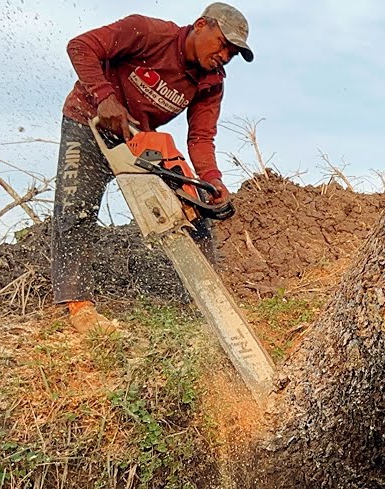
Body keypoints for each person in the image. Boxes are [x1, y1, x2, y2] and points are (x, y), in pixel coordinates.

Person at [52, 3, 253, 331]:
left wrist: (211, 179)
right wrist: (105, 97)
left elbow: (201, 137)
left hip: (136, 138)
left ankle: (205, 304)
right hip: (88, 121)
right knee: (76, 209)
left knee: (192, 208)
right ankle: (79, 307)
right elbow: (81, 46)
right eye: (222, 44)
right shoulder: (148, 33)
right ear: (200, 25)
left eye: (231, 53)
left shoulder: (211, 82)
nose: (224, 56)